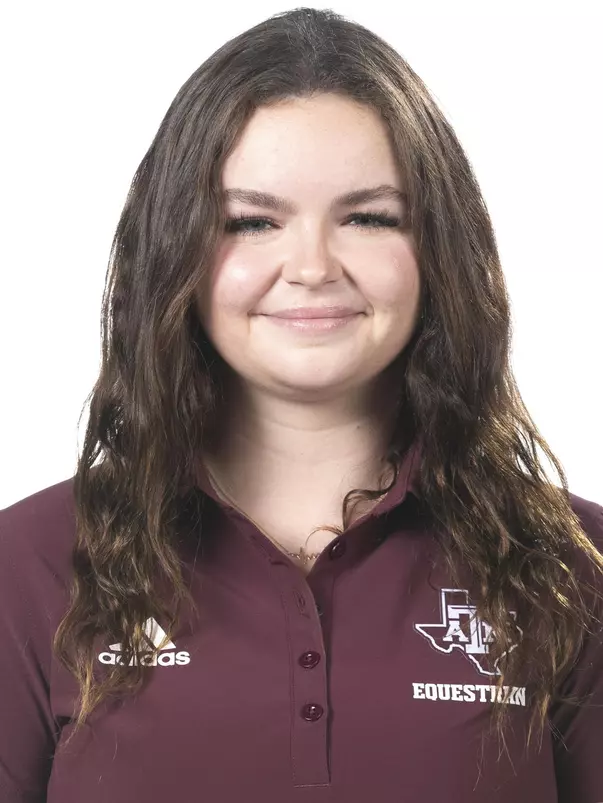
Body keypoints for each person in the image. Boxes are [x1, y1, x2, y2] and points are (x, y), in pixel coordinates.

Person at [0, 7, 601, 803]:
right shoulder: (28, 563)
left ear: (438, 251)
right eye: (252, 221)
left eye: (366, 217)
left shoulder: (574, 568)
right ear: (173, 249)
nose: (311, 265)